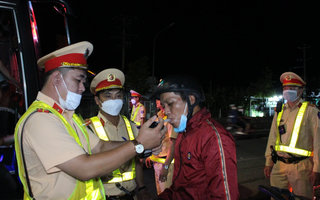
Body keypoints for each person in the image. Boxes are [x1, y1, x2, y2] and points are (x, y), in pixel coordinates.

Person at [14, 41, 166, 199]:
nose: (81, 88)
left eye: (83, 82)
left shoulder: (67, 117)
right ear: (57, 78)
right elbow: (84, 168)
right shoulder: (42, 120)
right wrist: (138, 145)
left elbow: (100, 147)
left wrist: (144, 145)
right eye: (78, 80)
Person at [150, 73, 239, 200]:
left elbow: (224, 196)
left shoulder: (213, 137)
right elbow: (179, 188)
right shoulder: (184, 133)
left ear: (191, 100)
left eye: (170, 104)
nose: (166, 111)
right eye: (164, 106)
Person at [88, 68, 153, 200]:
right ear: (97, 100)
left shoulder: (131, 126)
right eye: (108, 96)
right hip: (103, 196)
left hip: (131, 196)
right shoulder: (89, 128)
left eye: (118, 95)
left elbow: (137, 162)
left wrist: (142, 189)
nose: (114, 100)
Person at [264, 72, 320, 199]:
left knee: (302, 198)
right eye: (285, 88)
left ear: (300, 91)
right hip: (279, 166)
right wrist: (268, 161)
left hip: (301, 167)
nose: (287, 91)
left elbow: (318, 142)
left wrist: (317, 169)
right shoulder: (279, 111)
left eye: (292, 88)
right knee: (277, 197)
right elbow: (272, 137)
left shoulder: (311, 111)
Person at [145, 99, 177, 195]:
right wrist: (150, 156)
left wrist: (166, 166)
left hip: (166, 163)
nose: (156, 101)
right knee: (160, 194)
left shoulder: (171, 117)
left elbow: (173, 143)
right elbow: (155, 138)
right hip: (157, 162)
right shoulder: (159, 115)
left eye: (158, 98)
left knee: (166, 194)